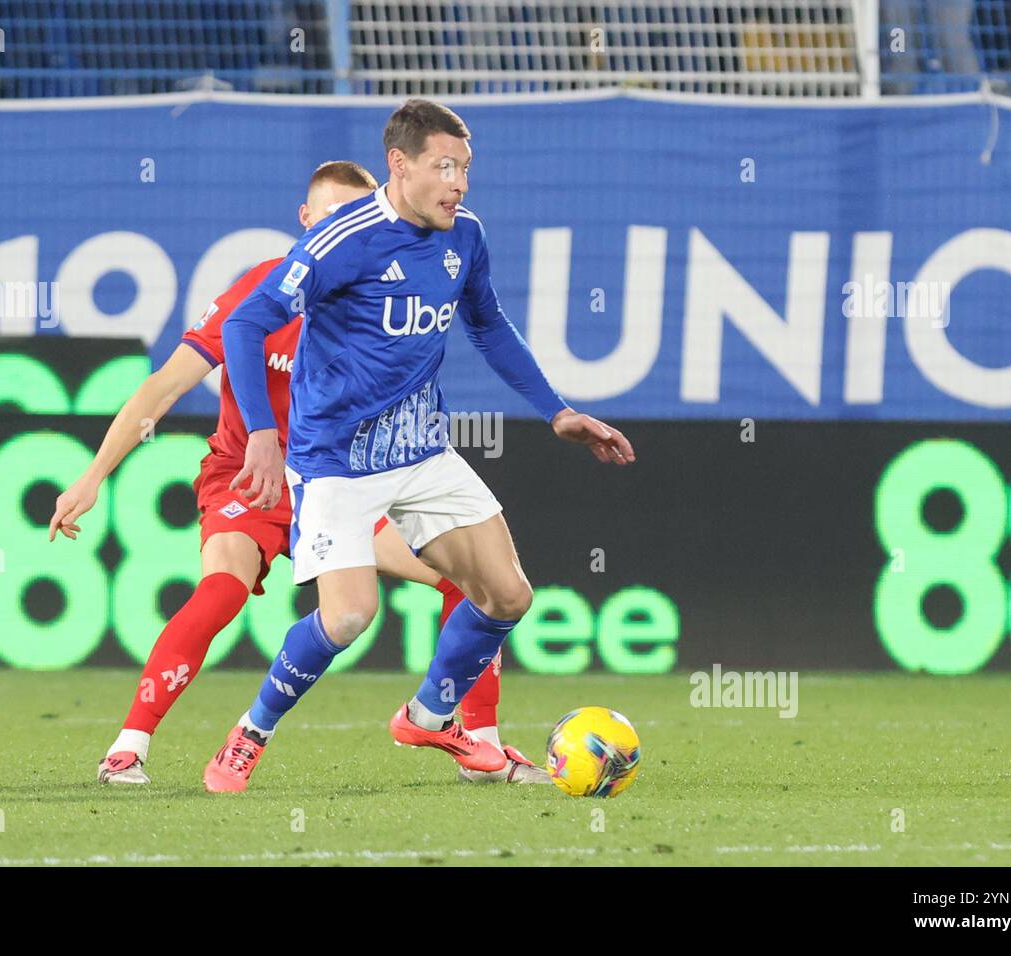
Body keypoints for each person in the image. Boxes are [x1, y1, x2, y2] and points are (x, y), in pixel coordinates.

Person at [49, 159, 548, 788]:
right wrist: (93, 476)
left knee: (468, 579)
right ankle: (130, 745)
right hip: (250, 480)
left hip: (341, 480)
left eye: (358, 215)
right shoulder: (258, 294)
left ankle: (479, 741)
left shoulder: (387, 288)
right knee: (222, 590)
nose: (346, 228)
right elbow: (161, 388)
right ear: (305, 220)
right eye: (333, 215)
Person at [210, 99, 634, 792]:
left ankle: (430, 715)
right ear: (399, 166)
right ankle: (250, 733)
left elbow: (488, 325)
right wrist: (261, 433)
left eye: (465, 168)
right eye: (445, 166)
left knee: (507, 596)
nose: (459, 183)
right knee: (348, 617)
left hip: (421, 451)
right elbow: (247, 323)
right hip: (335, 462)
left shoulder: (463, 235)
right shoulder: (342, 240)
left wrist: (555, 411)